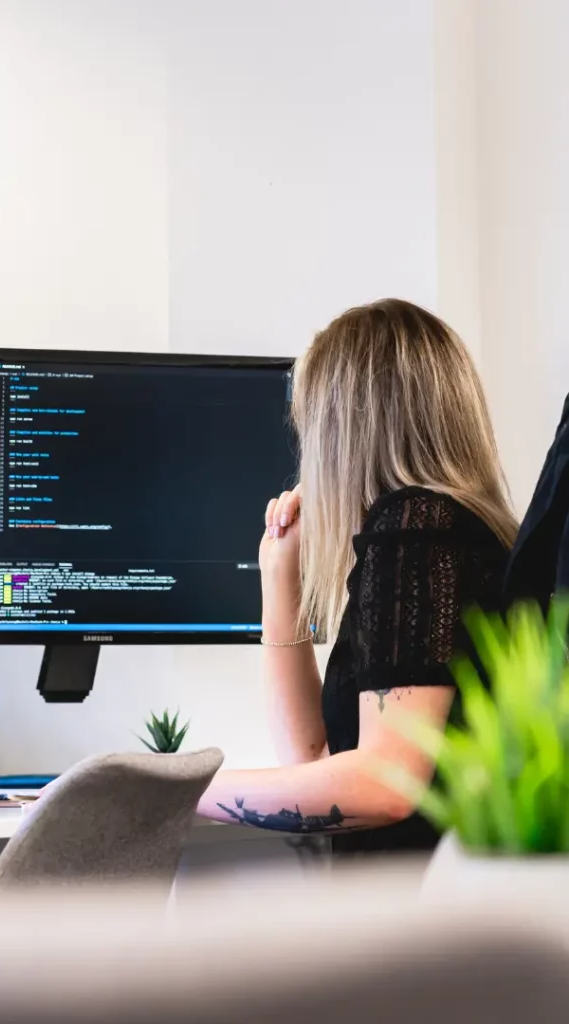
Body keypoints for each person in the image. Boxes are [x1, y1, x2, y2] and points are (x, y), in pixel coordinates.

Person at [196, 298, 518, 855]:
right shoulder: (454, 531)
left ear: (340, 427)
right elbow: (313, 759)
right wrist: (279, 579)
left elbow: (384, 784)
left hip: (414, 923)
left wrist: (172, 793)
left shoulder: (417, 527)